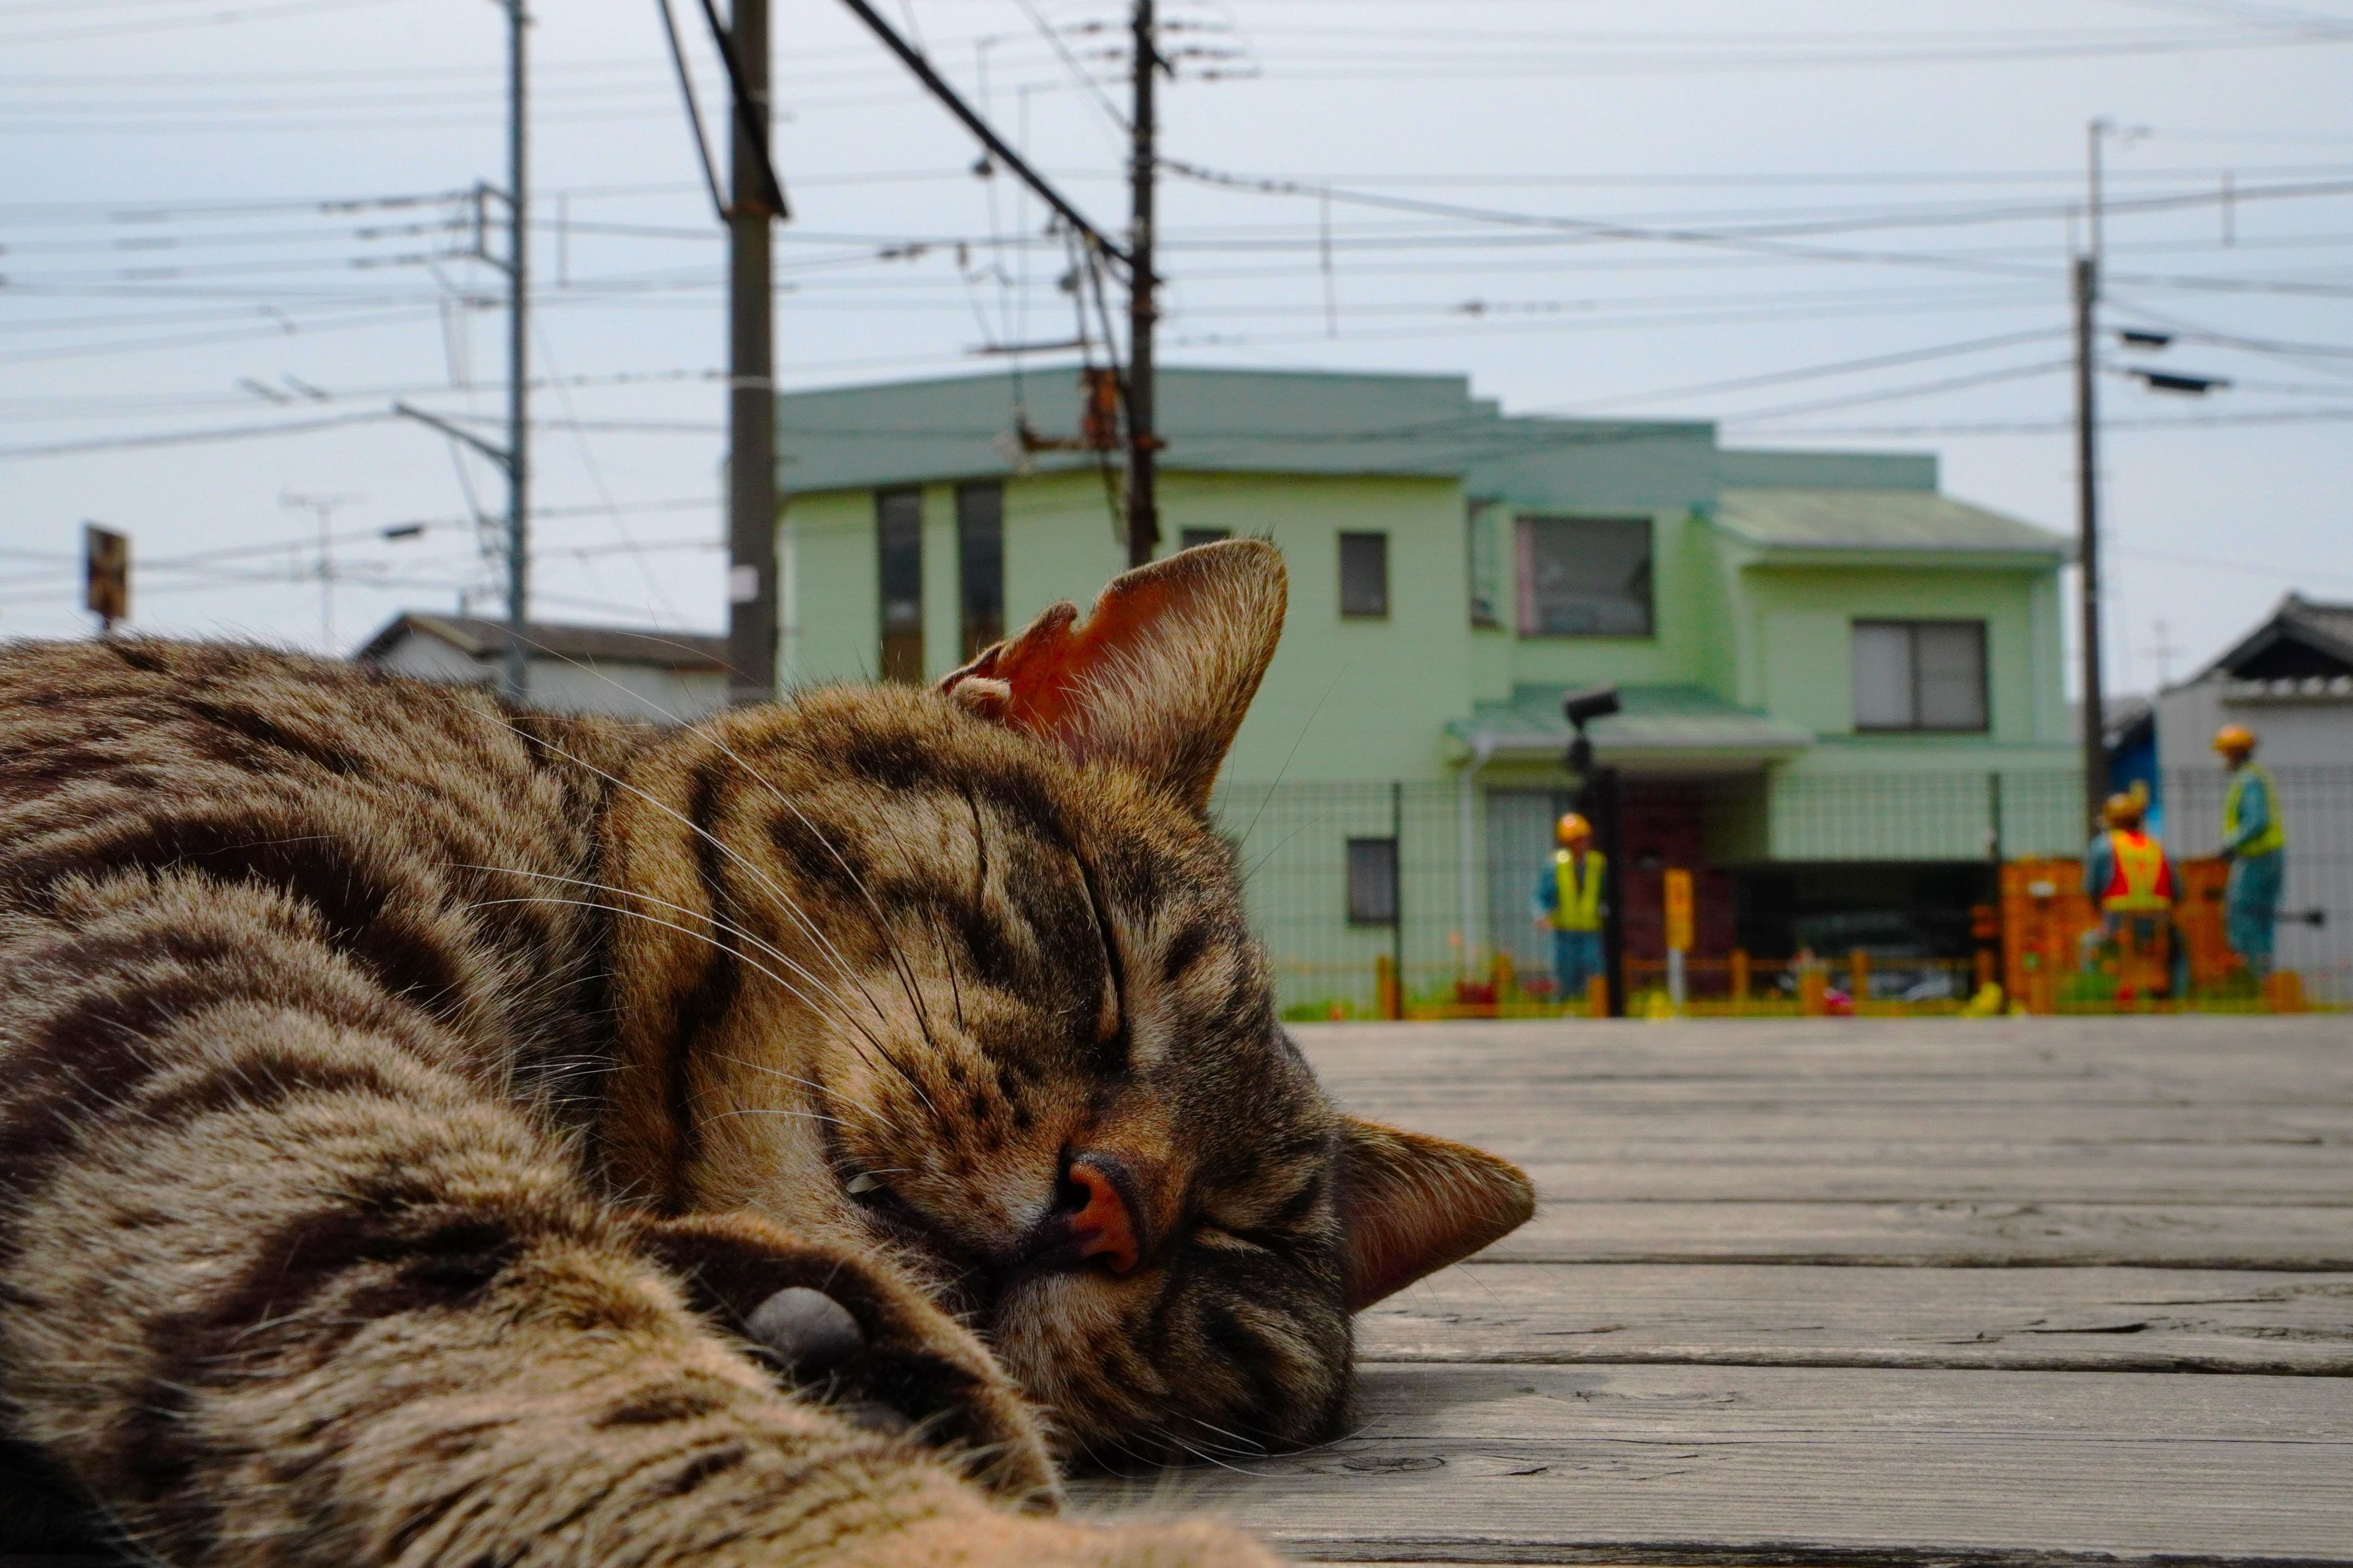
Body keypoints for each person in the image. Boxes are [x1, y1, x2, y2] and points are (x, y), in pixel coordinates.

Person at [2082, 788, 2180, 996]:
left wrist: (2099, 913)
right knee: (2178, 947)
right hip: (2158, 928)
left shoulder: (2103, 846)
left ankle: (2101, 995)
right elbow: (2178, 892)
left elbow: (2091, 889)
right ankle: (2173, 996)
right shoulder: (2156, 846)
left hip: (2117, 927)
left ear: (2109, 820)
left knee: (2088, 943)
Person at [2214, 723, 2287, 980]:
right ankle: (2264, 975)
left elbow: (2257, 820)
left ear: (2233, 754)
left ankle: (2252, 973)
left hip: (2256, 857)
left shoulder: (2247, 780)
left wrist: (2231, 844)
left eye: (2225, 754)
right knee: (2261, 916)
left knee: (2241, 912)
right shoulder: (2255, 776)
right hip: (2268, 855)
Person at [1533, 811, 1606, 1006]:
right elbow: (1542, 896)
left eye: (1583, 839)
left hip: (1591, 930)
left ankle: (1597, 1008)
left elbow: (1607, 894)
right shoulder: (1554, 865)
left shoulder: (1598, 863)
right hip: (1564, 931)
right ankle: (1567, 1007)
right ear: (1566, 842)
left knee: (1594, 970)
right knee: (1566, 972)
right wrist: (1541, 915)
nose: (1581, 844)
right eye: (1576, 840)